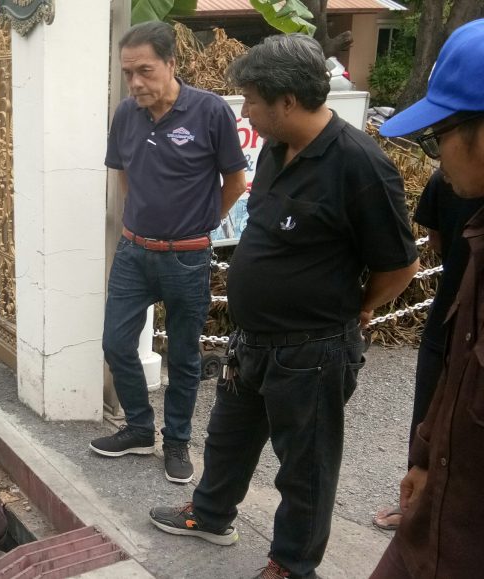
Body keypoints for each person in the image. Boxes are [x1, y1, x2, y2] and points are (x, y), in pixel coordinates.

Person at [148, 34, 418, 579]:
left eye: (251, 100)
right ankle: (211, 514)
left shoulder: (359, 165)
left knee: (305, 468)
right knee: (228, 437)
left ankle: (293, 565)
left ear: (287, 100)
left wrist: (360, 308)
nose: (245, 111)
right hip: (252, 341)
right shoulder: (276, 149)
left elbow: (400, 266)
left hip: (311, 351)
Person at [90, 21, 248, 484]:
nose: (135, 82)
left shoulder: (210, 111)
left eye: (145, 70)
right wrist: (137, 219)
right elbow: (123, 172)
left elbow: (235, 182)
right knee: (116, 343)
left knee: (183, 356)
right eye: (128, 73)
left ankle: (177, 440)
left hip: (187, 257)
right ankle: (140, 429)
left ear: (171, 64)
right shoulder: (125, 115)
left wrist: (202, 224)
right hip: (133, 253)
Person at [369, 18, 484, 579]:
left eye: (439, 137)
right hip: (437, 524)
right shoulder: (478, 237)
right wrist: (425, 461)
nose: (437, 159)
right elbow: (460, 373)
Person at [372, 170, 484, 531]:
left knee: (436, 411)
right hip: (447, 318)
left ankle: (430, 511)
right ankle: (418, 505)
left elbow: (437, 242)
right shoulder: (446, 178)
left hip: (450, 312)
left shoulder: (445, 177)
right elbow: (436, 239)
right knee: (429, 413)